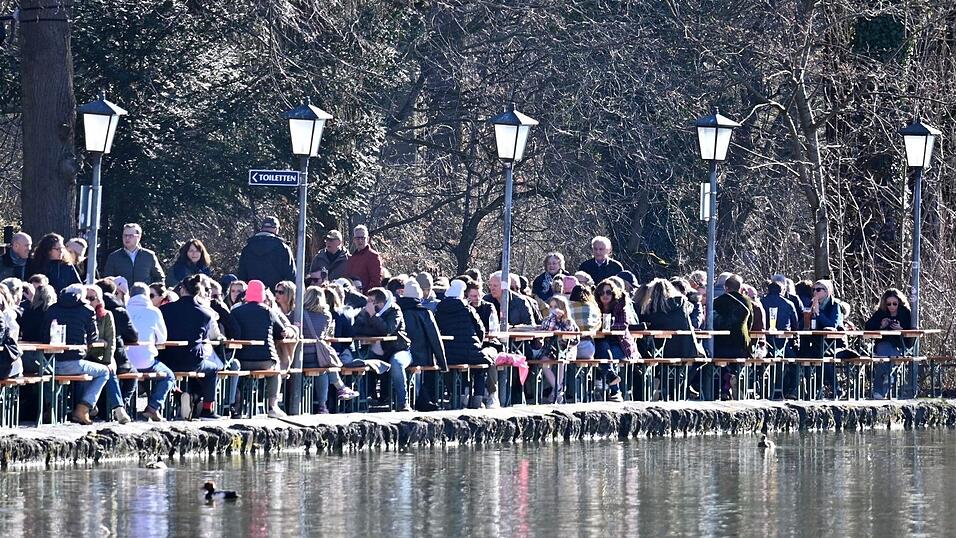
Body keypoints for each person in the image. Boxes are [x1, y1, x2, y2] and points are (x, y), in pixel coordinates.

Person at [158, 274, 224, 419]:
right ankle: (207, 408)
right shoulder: (206, 313)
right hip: (193, 360)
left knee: (163, 372)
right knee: (213, 369)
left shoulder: (165, 310)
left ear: (181, 290)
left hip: (168, 358)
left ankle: (179, 394)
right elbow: (206, 337)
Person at [43, 284, 110, 425]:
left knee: (47, 376)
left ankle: (51, 407)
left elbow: (44, 333)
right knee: (104, 371)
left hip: (49, 362)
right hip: (74, 362)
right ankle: (83, 408)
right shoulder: (87, 310)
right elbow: (93, 338)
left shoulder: (52, 308)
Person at [231, 279, 295, 417]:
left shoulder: (236, 311)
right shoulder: (269, 311)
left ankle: (236, 403)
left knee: (237, 373)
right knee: (276, 370)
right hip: (265, 359)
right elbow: (281, 333)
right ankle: (273, 406)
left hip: (241, 358)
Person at [435, 279, 495, 409]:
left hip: (449, 353)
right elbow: (480, 330)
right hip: (470, 352)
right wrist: (476, 343)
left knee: (457, 367)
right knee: (482, 365)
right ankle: (478, 399)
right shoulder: (467, 308)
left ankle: (460, 396)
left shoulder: (439, 309)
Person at [300, 286, 359, 413]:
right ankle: (324, 404)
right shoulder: (326, 316)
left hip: (300, 356)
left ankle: (338, 391)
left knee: (325, 367)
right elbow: (327, 335)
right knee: (325, 366)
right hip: (318, 356)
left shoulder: (297, 314)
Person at [352, 287, 412, 410]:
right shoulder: (366, 312)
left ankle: (403, 402)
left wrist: (373, 316)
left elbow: (388, 330)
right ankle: (361, 403)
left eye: (370, 301)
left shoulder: (394, 311)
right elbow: (357, 329)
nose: (367, 303)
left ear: (380, 303)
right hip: (377, 350)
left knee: (396, 363)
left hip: (398, 349)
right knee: (359, 363)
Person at [125, 283, 175, 420]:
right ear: (147, 295)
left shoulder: (124, 309)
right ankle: (153, 407)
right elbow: (162, 339)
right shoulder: (154, 311)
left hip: (125, 361)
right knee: (169, 376)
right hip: (146, 361)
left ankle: (127, 407)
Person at [85, 285, 133, 424]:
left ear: (99, 300)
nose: (89, 301)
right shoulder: (81, 313)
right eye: (86, 298)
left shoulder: (106, 315)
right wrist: (95, 341)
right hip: (85, 355)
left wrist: (107, 360)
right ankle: (89, 405)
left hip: (100, 356)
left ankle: (118, 409)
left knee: (109, 369)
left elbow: (111, 341)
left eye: (92, 298)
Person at [398, 279, 447, 411]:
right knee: (424, 376)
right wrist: (442, 363)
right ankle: (422, 400)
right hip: (421, 355)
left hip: (400, 354)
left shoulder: (398, 311)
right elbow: (435, 338)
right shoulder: (424, 313)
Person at [593, 279, 635, 402]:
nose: (604, 295)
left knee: (608, 354)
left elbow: (623, 325)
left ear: (613, 293)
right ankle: (613, 386)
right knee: (602, 348)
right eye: (601, 293)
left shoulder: (620, 306)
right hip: (601, 342)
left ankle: (610, 389)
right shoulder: (595, 307)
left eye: (608, 292)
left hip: (620, 343)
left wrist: (608, 326)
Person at [712, 274, 752, 399]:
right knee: (737, 362)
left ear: (726, 288)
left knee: (716, 361)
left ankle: (723, 387)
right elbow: (750, 322)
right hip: (742, 344)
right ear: (740, 288)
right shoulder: (747, 301)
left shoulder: (717, 301)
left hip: (721, 343)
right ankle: (734, 378)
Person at [536, 294, 579, 404]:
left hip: (566, 350)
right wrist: (553, 317)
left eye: (556, 307)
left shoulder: (569, 321)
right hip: (550, 349)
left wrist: (560, 319)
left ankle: (556, 391)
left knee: (561, 362)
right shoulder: (549, 319)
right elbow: (546, 328)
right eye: (551, 306)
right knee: (544, 363)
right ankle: (558, 389)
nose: (553, 309)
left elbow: (573, 337)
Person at [761, 281, 801, 399]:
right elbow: (795, 325)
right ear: (782, 291)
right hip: (783, 343)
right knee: (794, 362)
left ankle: (765, 390)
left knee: (766, 362)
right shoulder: (788, 303)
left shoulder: (762, 302)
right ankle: (791, 389)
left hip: (765, 343)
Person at [236, 216, 295, 290]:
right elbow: (291, 276)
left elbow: (242, 276)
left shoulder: (247, 248)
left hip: (253, 295)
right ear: (276, 229)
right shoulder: (283, 248)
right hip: (277, 295)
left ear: (262, 228)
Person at [345, 225, 383, 292]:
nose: (360, 240)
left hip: (366, 297)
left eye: (363, 238)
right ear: (354, 240)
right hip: (352, 296)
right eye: (357, 238)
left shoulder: (373, 256)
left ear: (367, 239)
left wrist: (366, 296)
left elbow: (376, 281)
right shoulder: (351, 258)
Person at [568, 285, 600, 359]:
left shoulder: (567, 306)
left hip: (569, 348)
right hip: (587, 348)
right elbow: (598, 324)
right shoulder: (591, 306)